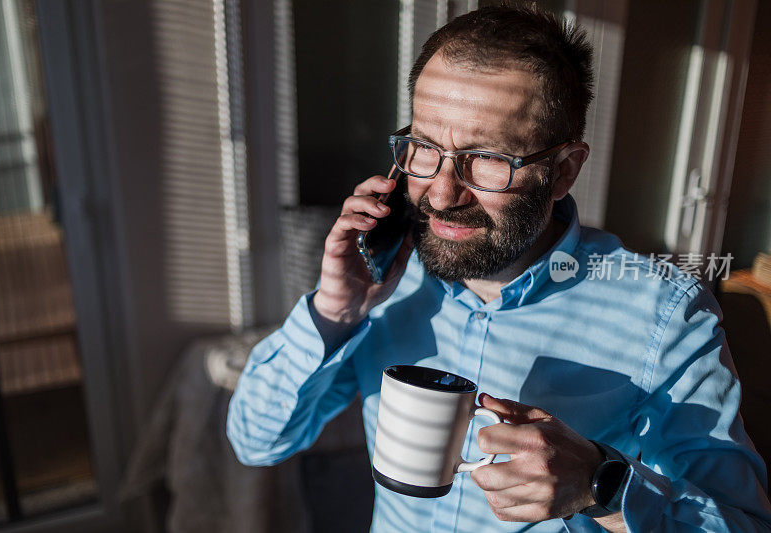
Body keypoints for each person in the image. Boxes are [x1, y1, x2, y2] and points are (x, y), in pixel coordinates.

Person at [227, 4, 771, 532]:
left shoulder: (665, 311)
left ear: (563, 171)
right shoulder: (384, 273)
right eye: (423, 147)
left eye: (487, 159)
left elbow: (742, 522)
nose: (440, 195)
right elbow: (255, 441)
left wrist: (600, 485)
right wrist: (334, 310)